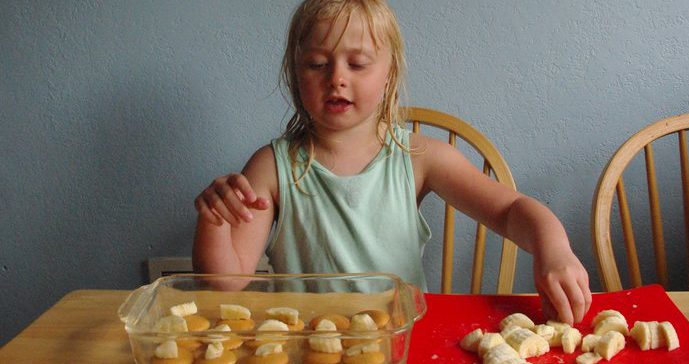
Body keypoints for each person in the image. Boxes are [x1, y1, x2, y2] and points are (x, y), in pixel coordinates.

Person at [193, 0, 591, 324]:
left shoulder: (420, 158)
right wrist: (214, 223)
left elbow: (510, 210)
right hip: (310, 346)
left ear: (389, 73)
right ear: (296, 74)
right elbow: (226, 282)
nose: (337, 78)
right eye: (317, 63)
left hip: (399, 340)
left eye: (358, 63)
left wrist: (553, 249)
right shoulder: (271, 167)